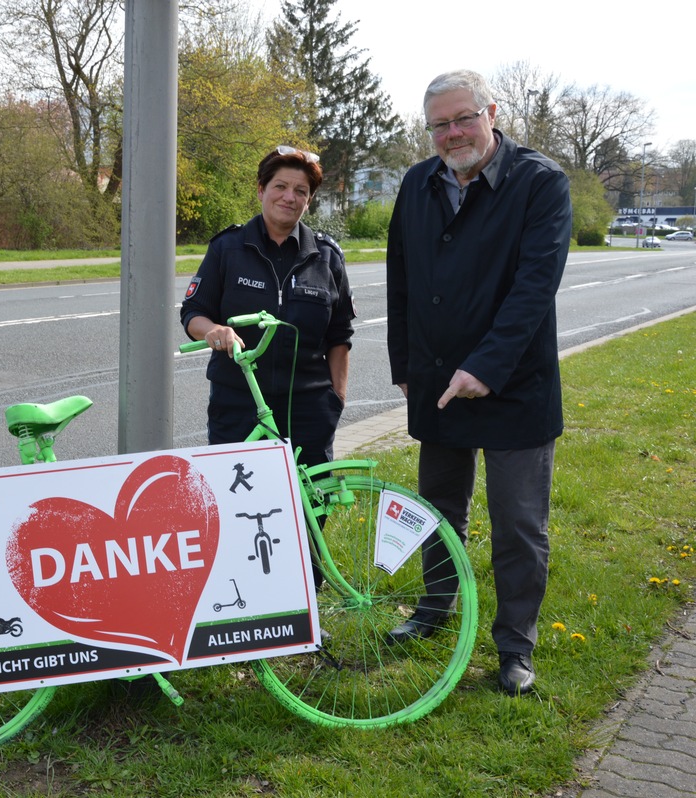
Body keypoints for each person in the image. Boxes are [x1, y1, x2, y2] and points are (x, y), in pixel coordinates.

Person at [385, 69, 571, 696]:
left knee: (519, 523)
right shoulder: (417, 183)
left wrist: (485, 368)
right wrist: (404, 364)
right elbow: (401, 279)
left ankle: (515, 647)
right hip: (437, 380)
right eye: (440, 124)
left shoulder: (540, 183)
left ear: (492, 112)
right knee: (439, 512)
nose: (453, 132)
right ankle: (435, 610)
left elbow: (533, 289)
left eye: (464, 118)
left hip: (515, 384)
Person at [180, 146, 355, 471]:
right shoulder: (227, 248)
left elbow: (340, 336)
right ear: (261, 190)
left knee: (311, 508)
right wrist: (213, 330)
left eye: (300, 191)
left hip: (308, 408)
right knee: (237, 505)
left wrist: (336, 400)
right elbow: (193, 312)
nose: (289, 197)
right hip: (237, 404)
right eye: (280, 187)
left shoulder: (327, 257)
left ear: (309, 200)